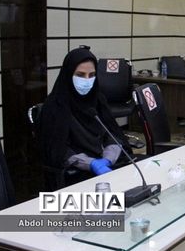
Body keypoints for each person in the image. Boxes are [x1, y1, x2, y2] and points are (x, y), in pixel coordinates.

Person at [38, 47, 131, 176]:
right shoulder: (55, 105)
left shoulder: (98, 99)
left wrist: (108, 159)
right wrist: (90, 163)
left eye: (92, 75)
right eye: (80, 75)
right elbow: (57, 150)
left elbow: (113, 134)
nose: (87, 80)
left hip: (106, 165)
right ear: (68, 74)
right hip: (74, 173)